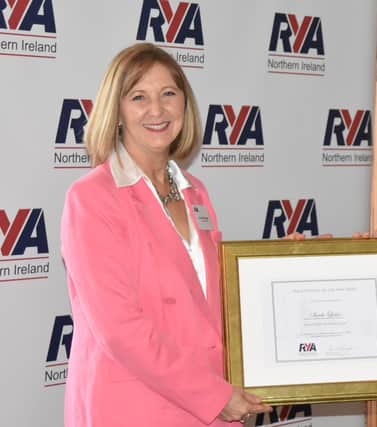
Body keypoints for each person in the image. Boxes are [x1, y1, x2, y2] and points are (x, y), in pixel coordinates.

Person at [60, 43, 271, 427]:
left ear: (184, 104)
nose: (156, 110)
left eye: (168, 94)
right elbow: (120, 330)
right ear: (117, 111)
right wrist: (213, 396)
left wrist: (290, 263)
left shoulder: (195, 191)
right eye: (139, 97)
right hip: (134, 410)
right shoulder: (91, 199)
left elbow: (217, 296)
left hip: (208, 409)